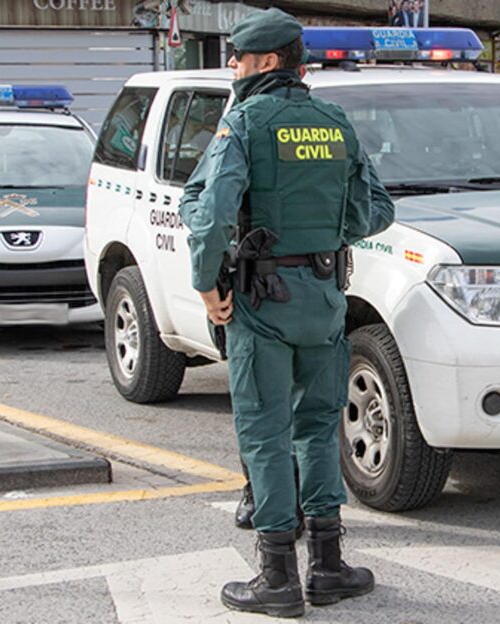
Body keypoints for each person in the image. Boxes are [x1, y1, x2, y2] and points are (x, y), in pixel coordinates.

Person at [178, 7, 395, 619]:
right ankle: (328, 565)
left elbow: (216, 212)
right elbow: (375, 211)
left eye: (239, 58)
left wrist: (205, 284)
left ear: (267, 61)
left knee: (265, 431)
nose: (233, 67)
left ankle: (277, 575)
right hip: (324, 297)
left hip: (259, 299)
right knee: (319, 424)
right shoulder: (334, 121)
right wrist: (323, 235)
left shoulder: (243, 125)